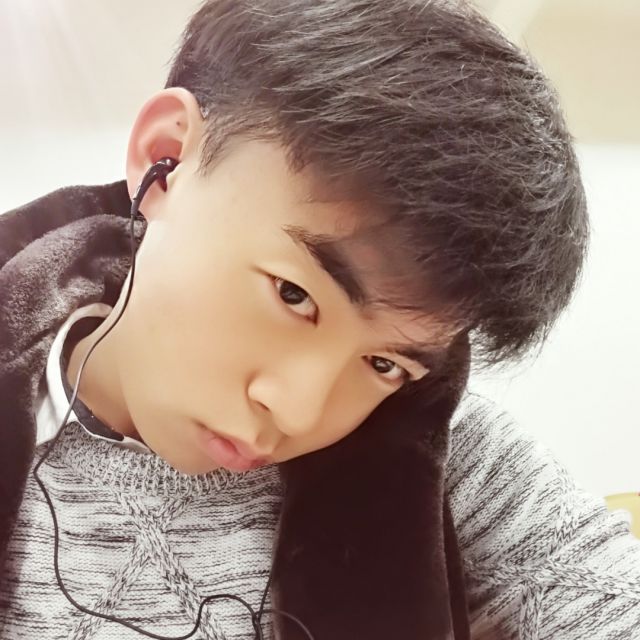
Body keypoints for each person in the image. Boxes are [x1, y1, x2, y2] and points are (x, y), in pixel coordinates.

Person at [1, 0, 639, 638]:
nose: (300, 413)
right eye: (293, 295)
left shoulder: (438, 454)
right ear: (165, 158)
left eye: (384, 363)